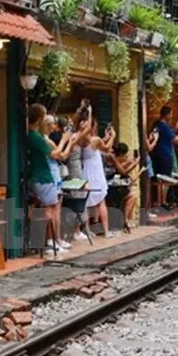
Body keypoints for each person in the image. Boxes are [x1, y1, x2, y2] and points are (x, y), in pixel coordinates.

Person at [26, 104, 85, 252]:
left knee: (53, 208)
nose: (53, 126)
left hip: (45, 176)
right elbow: (56, 155)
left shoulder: (36, 137)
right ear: (40, 120)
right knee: (51, 209)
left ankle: (54, 240)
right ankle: (51, 241)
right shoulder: (37, 138)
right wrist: (66, 140)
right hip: (44, 176)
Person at [79, 119, 116, 238]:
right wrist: (112, 137)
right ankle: (106, 230)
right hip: (95, 172)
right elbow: (106, 148)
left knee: (85, 202)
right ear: (93, 127)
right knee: (101, 201)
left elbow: (96, 145)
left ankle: (87, 229)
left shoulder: (80, 140)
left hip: (85, 171)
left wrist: (105, 137)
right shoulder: (95, 140)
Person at [152, 106, 178, 207]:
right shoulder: (165, 126)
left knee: (159, 179)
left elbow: (167, 135)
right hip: (165, 155)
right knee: (165, 179)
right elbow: (176, 140)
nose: (172, 116)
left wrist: (175, 128)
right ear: (167, 115)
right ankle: (163, 201)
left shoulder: (157, 125)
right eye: (171, 114)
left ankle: (158, 201)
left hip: (156, 154)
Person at [108, 143, 143, 232]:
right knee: (130, 195)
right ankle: (124, 220)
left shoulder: (115, 158)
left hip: (115, 185)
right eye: (125, 156)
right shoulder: (113, 158)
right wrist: (134, 164)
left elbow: (120, 169)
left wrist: (129, 163)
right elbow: (122, 171)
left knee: (133, 195)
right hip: (111, 186)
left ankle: (126, 219)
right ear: (121, 154)